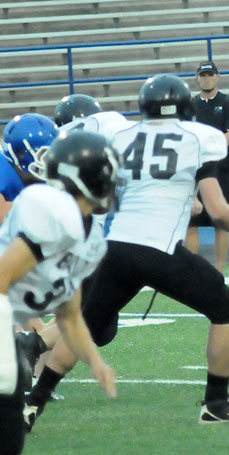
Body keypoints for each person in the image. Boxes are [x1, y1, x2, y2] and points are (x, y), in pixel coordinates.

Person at [25, 73, 229, 429]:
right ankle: (215, 402)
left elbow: (105, 199)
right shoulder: (201, 137)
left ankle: (33, 403)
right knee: (228, 308)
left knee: (86, 328)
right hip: (159, 248)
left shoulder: (120, 136)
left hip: (116, 247)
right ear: (184, 107)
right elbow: (217, 208)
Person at [0, 130, 118, 454]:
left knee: (10, 438)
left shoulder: (90, 238)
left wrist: (96, 363)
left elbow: (69, 312)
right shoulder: (52, 213)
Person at [185, 60, 229, 273]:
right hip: (196, 170)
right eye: (203, 75)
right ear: (196, 78)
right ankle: (190, 270)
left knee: (221, 221)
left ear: (218, 76)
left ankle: (219, 271)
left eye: (210, 74)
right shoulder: (190, 105)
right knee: (191, 223)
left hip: (221, 169)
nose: (206, 78)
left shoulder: (228, 103)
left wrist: (207, 146)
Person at [0, 113, 58, 223]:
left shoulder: (37, 175)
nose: (53, 160)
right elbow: (2, 215)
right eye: (46, 154)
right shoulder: (3, 169)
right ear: (21, 154)